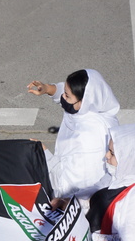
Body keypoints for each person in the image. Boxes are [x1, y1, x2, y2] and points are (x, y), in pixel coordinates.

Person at [27, 70, 120, 201]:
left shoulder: (88, 140)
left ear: (84, 101)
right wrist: (48, 89)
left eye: (67, 96)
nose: (63, 97)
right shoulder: (96, 109)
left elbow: (66, 186)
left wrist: (43, 153)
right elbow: (68, 93)